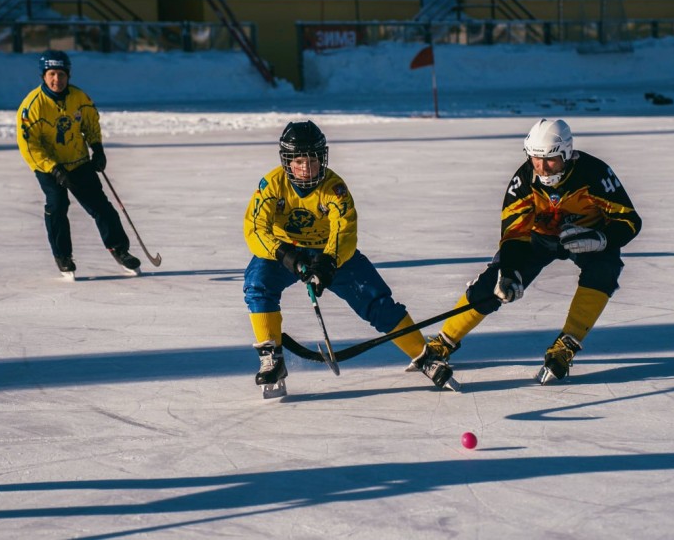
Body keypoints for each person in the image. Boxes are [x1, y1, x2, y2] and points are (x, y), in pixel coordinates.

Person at [420, 118, 643, 385]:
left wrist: (603, 239)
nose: (541, 167)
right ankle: (444, 341)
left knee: (605, 270)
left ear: (567, 154)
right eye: (535, 158)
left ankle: (567, 344)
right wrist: (509, 272)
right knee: (494, 284)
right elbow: (513, 233)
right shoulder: (524, 180)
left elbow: (630, 221)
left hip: (586, 238)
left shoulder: (594, 174)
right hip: (537, 239)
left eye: (550, 159)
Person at [243, 120, 452, 395]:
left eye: (313, 161)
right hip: (284, 251)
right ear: (287, 161)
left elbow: (344, 230)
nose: (307, 169)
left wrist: (328, 263)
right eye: (299, 161)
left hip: (328, 252)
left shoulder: (334, 187)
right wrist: (286, 256)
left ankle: (423, 355)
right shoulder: (271, 185)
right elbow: (255, 228)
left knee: (375, 299)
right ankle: (272, 358)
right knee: (258, 284)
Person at [16, 50, 141, 278]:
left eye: (61, 74)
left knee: (101, 207)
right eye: (52, 74)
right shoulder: (31, 106)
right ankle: (63, 256)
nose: (57, 80)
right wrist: (53, 168)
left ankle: (120, 250)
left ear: (68, 75)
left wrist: (98, 148)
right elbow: (29, 145)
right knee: (57, 205)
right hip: (48, 166)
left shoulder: (79, 97)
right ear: (44, 76)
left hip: (77, 161)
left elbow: (91, 123)